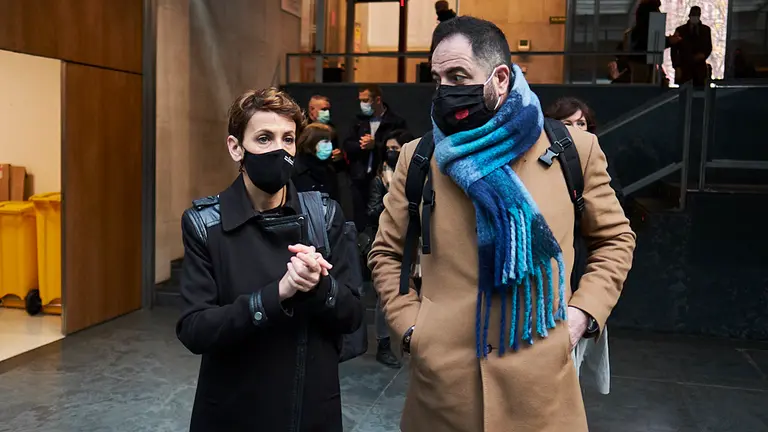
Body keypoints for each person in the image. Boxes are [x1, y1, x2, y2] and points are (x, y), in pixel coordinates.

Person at [369, 16, 636, 431]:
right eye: (438, 79)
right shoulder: (418, 157)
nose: (445, 91)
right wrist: (411, 328)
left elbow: (615, 240)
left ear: (500, 78)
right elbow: (386, 252)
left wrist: (580, 316)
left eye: (458, 76)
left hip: (540, 393)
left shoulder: (573, 150)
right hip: (443, 393)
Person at [176, 87, 363, 432]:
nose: (279, 150)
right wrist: (276, 295)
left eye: (287, 139)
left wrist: (320, 286)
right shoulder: (206, 224)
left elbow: (353, 315)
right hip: (235, 408)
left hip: (309, 408)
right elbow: (195, 329)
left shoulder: (324, 215)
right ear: (236, 147)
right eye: (264, 138)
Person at [365, 128, 415, 368]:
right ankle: (383, 344)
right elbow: (372, 210)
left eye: (396, 149)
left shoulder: (418, 174)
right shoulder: (379, 179)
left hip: (414, 242)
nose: (391, 153)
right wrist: (393, 203)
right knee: (384, 294)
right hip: (387, 237)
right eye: (388, 149)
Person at [343, 84, 407, 232]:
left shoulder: (395, 121)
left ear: (377, 100)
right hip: (360, 178)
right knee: (360, 220)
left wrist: (375, 145)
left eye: (366, 100)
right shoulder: (358, 121)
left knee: (383, 218)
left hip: (383, 177)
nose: (362, 104)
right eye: (360, 100)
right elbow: (347, 144)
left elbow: (400, 146)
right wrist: (361, 145)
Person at [292, 123, 341, 201]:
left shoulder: (329, 171)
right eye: (325, 141)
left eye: (330, 141)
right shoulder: (295, 170)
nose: (330, 145)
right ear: (311, 142)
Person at [672, 6, 713, 86]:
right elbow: (674, 50)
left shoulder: (705, 30)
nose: (695, 16)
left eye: (697, 14)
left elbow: (709, 47)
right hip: (684, 67)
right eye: (693, 14)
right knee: (684, 90)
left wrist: (703, 55)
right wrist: (677, 66)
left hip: (700, 68)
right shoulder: (680, 30)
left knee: (699, 89)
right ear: (689, 15)